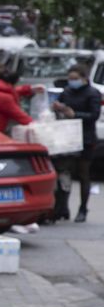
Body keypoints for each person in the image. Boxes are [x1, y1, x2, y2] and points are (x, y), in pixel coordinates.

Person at [51, 65, 102, 222]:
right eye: (70, 79)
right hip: (67, 137)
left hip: (85, 138)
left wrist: (76, 114)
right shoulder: (67, 91)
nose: (72, 82)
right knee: (64, 171)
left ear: (84, 78)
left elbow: (94, 115)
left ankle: (82, 209)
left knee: (83, 173)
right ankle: (62, 207)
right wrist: (58, 108)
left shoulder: (93, 93)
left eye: (75, 79)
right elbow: (59, 105)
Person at [0, 68, 41, 135]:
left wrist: (29, 89)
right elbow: (19, 116)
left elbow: (11, 91)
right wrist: (38, 126)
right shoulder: (5, 98)